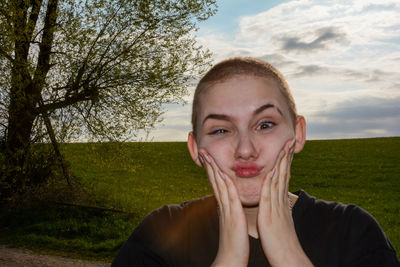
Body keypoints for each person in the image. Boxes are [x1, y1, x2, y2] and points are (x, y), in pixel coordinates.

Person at [112, 57, 400, 266]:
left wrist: (288, 255)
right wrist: (229, 259)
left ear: (298, 134)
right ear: (195, 148)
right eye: (221, 130)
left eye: (265, 125)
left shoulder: (353, 232)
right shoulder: (161, 233)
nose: (245, 150)